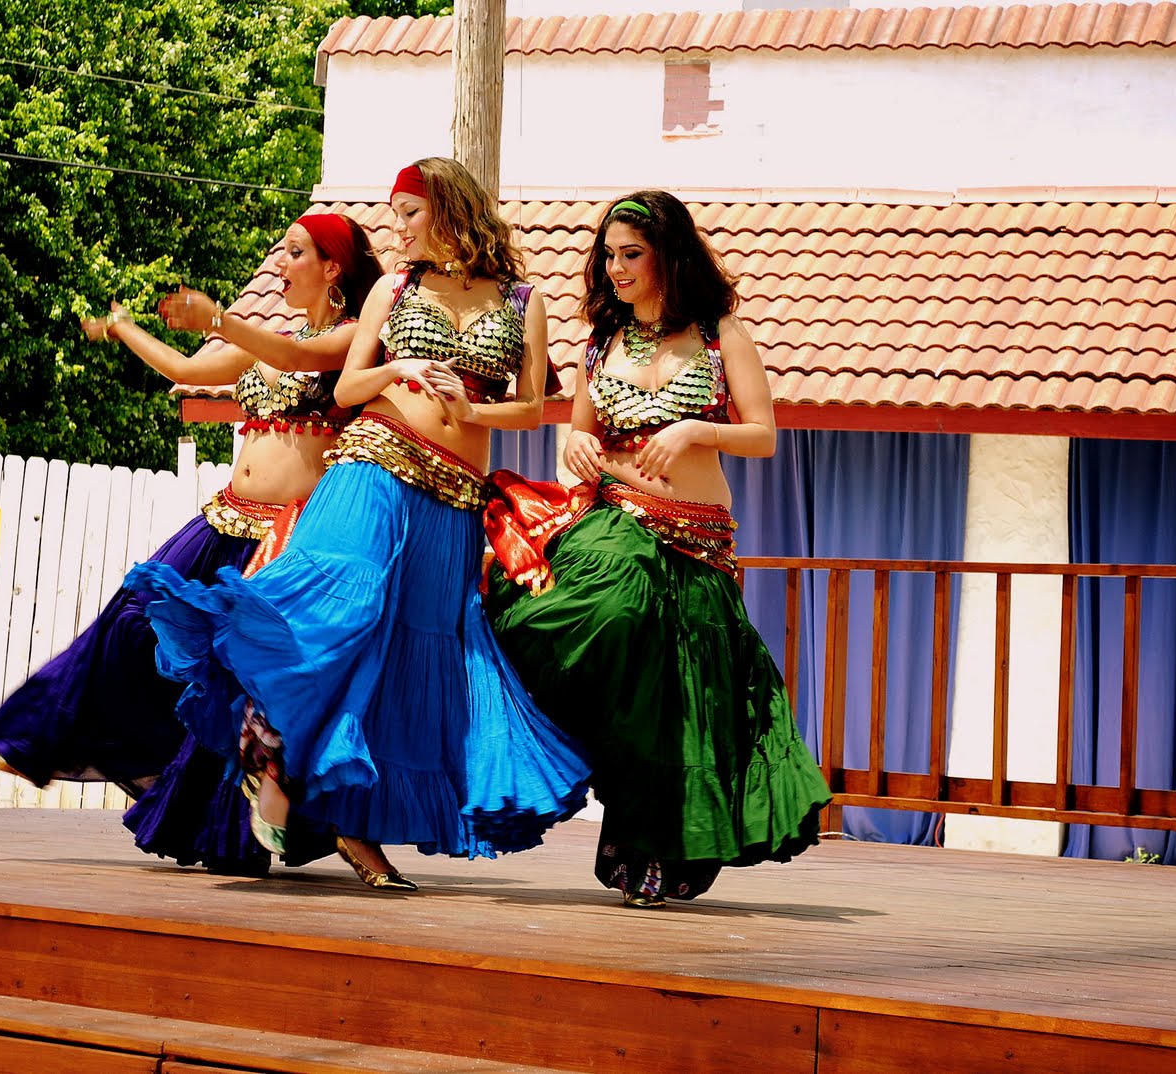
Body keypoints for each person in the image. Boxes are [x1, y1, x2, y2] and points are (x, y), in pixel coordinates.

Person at [127, 158, 590, 891]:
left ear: (449, 209)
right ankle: (268, 748)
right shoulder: (391, 289)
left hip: (453, 497)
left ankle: (355, 827)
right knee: (339, 603)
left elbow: (531, 408)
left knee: (412, 660)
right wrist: (396, 372)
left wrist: (471, 411)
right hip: (370, 465)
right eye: (395, 213)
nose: (397, 228)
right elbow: (344, 383)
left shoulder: (521, 300)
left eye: (409, 212)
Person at [0, 213, 382, 874]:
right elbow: (192, 366)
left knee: (238, 679)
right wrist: (125, 329)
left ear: (333, 267)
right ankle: (44, 738)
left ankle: (238, 823)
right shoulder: (271, 335)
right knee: (130, 625)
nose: (280, 265)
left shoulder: (351, 338)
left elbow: (296, 360)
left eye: (295, 253)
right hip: (221, 522)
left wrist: (219, 316)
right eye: (281, 253)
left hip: (286, 537)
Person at [483, 191, 832, 908]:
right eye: (608, 256)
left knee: (679, 709)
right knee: (567, 622)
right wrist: (577, 442)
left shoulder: (718, 336)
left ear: (669, 253)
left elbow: (763, 435)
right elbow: (575, 435)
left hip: (699, 541)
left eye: (630, 254)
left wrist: (699, 431)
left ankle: (652, 848)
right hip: (620, 526)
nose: (615, 268)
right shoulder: (600, 342)